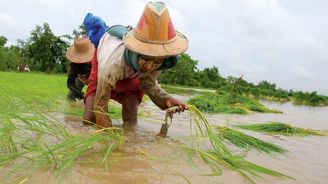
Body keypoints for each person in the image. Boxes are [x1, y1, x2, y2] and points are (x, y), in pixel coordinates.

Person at [83, 2, 189, 129]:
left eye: (158, 57)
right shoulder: (112, 64)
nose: (152, 64)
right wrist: (105, 129)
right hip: (107, 64)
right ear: (138, 50)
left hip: (131, 73)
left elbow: (148, 84)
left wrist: (167, 100)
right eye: (148, 56)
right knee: (89, 119)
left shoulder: (160, 62)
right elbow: (101, 102)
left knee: (130, 117)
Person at [66, 36, 94, 103]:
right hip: (82, 78)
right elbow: (70, 83)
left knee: (93, 98)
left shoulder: (98, 57)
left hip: (96, 78)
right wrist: (81, 94)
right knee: (70, 96)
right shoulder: (74, 64)